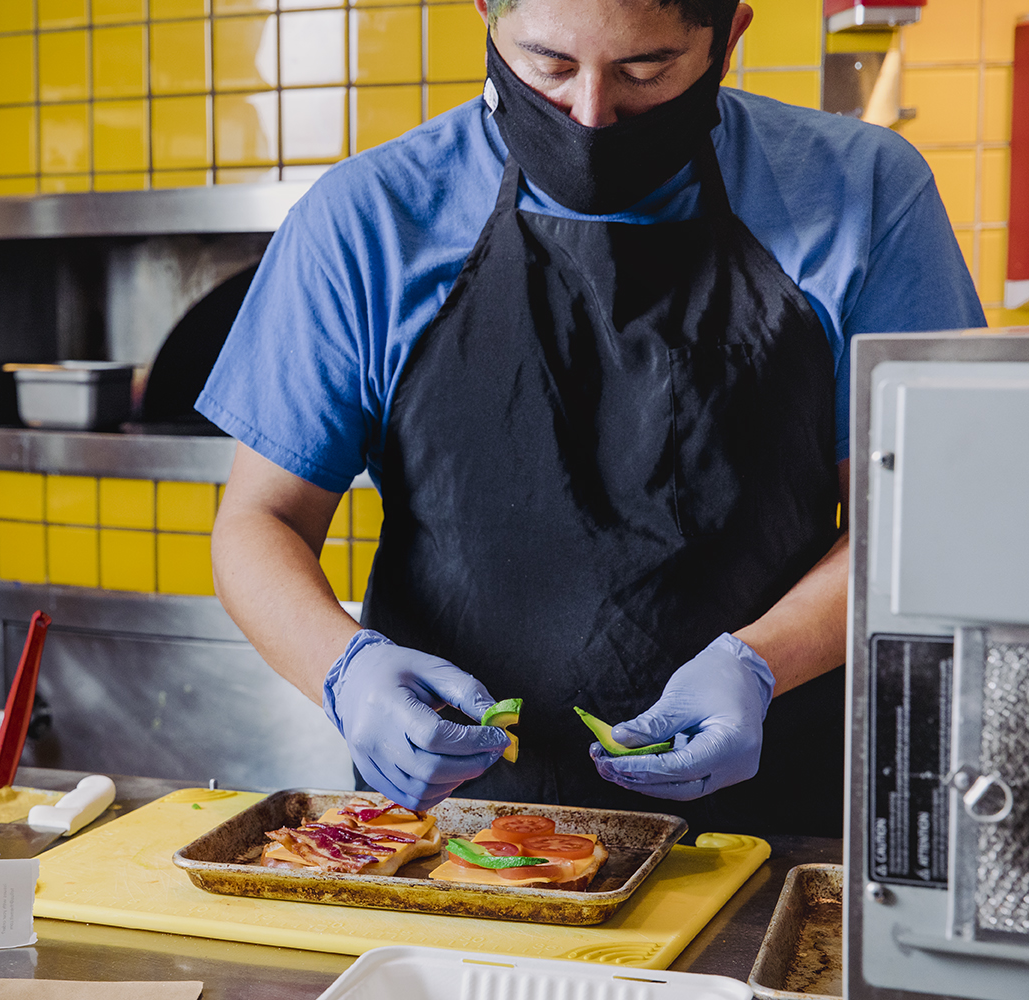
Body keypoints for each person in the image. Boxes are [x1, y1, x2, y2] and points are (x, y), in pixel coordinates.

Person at [196, 0, 985, 836]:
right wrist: (343, 669)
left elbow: (920, 520)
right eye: (550, 65)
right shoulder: (370, 218)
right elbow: (259, 519)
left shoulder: (862, 195)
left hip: (771, 830)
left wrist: (760, 664)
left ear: (729, 37)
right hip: (458, 833)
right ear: (486, 18)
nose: (590, 116)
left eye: (646, 71)